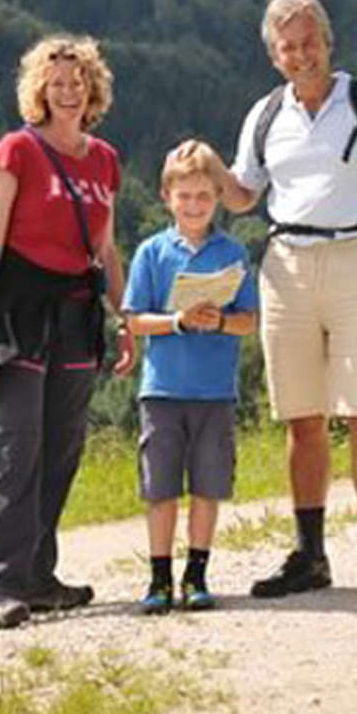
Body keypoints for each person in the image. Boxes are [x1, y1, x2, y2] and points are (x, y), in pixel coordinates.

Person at [201, 0, 357, 605]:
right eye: (288, 47)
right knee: (301, 419)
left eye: (310, 42)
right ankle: (310, 557)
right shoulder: (266, 114)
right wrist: (211, 172)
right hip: (286, 266)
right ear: (274, 56)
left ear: (328, 42)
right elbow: (245, 196)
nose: (301, 55)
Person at [0, 34, 136, 630]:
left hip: (76, 312)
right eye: (56, 82)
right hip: (20, 309)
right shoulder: (17, 150)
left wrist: (126, 315)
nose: (67, 91)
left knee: (62, 445)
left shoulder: (104, 160)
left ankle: (36, 576)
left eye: (78, 81)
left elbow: (106, 249)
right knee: (18, 446)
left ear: (93, 89)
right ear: (39, 90)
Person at [120, 141, 259, 614]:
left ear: (218, 197)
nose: (194, 206)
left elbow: (249, 320)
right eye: (185, 197)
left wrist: (218, 320)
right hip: (162, 391)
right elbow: (135, 321)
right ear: (167, 198)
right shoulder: (151, 253)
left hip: (215, 391)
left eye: (203, 196)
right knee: (160, 488)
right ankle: (158, 578)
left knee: (207, 485)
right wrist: (178, 320)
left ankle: (196, 574)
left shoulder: (232, 252)